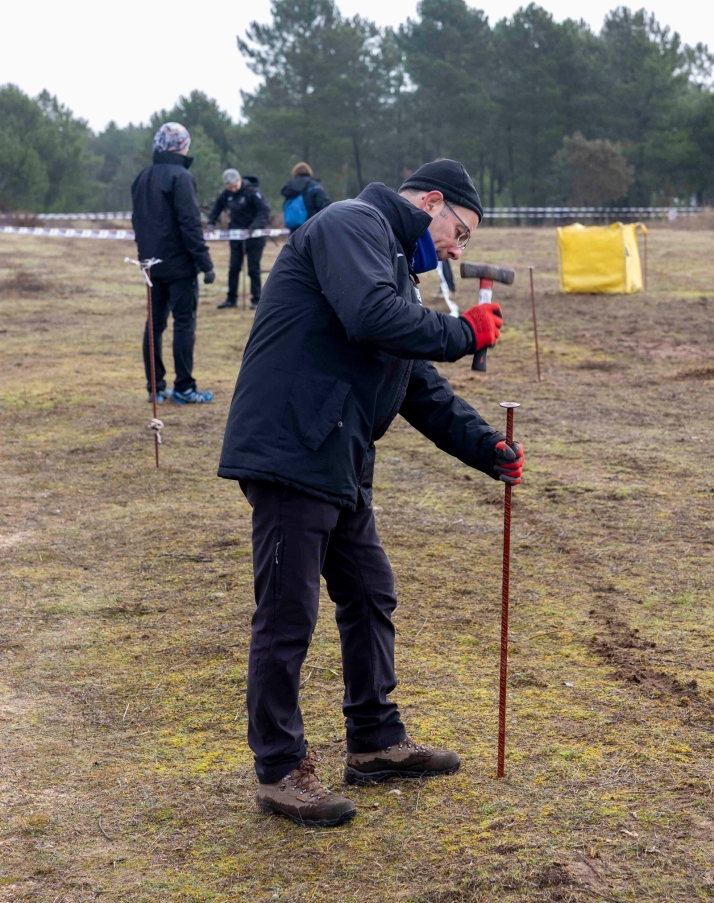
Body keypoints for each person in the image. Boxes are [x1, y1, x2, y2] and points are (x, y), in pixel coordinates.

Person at [217, 159, 524, 827]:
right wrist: (464, 333)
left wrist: (486, 448)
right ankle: (279, 769)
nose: (457, 248)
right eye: (460, 231)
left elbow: (416, 385)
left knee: (368, 590)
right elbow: (369, 318)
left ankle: (376, 739)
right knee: (287, 613)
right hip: (292, 445)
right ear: (433, 202)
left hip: (338, 453)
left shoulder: (391, 266)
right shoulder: (353, 224)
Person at [131, 122, 216, 405]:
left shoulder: (142, 177)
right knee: (183, 324)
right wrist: (205, 262)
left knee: (153, 325)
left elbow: (138, 222)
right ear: (181, 146)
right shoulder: (181, 177)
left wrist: (144, 254)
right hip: (179, 266)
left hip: (150, 265)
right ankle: (184, 387)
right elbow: (190, 223)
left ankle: (154, 387)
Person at [207, 169, 272, 310]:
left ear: (239, 180)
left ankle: (256, 299)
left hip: (255, 237)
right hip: (235, 236)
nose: (232, 189)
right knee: (234, 268)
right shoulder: (227, 194)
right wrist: (211, 221)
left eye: (234, 186)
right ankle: (231, 299)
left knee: (253, 269)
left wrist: (255, 226)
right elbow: (217, 207)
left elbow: (265, 210)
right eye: (229, 187)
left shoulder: (253, 192)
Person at [280, 161, 330, 229]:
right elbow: (324, 205)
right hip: (312, 226)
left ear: (295, 173)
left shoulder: (290, 187)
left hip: (295, 228)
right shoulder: (315, 186)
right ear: (309, 172)